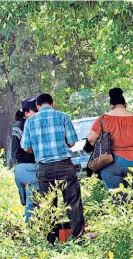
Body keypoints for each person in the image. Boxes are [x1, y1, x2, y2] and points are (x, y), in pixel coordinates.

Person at [21, 93, 90, 243]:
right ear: (52, 103)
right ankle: (78, 237)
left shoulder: (30, 122)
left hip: (44, 168)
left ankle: (50, 240)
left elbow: (25, 146)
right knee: (73, 202)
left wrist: (38, 149)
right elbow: (72, 143)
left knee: (48, 204)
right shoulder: (63, 116)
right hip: (64, 165)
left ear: (38, 106)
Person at [87, 88, 133, 199]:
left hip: (111, 164)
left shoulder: (103, 119)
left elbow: (91, 139)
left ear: (111, 106)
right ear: (125, 105)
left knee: (118, 201)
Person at [12, 98, 39, 223]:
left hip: (19, 170)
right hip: (30, 169)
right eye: (36, 111)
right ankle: (32, 233)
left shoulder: (17, 125)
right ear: (26, 113)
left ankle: (30, 229)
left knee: (28, 203)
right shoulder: (29, 125)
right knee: (33, 204)